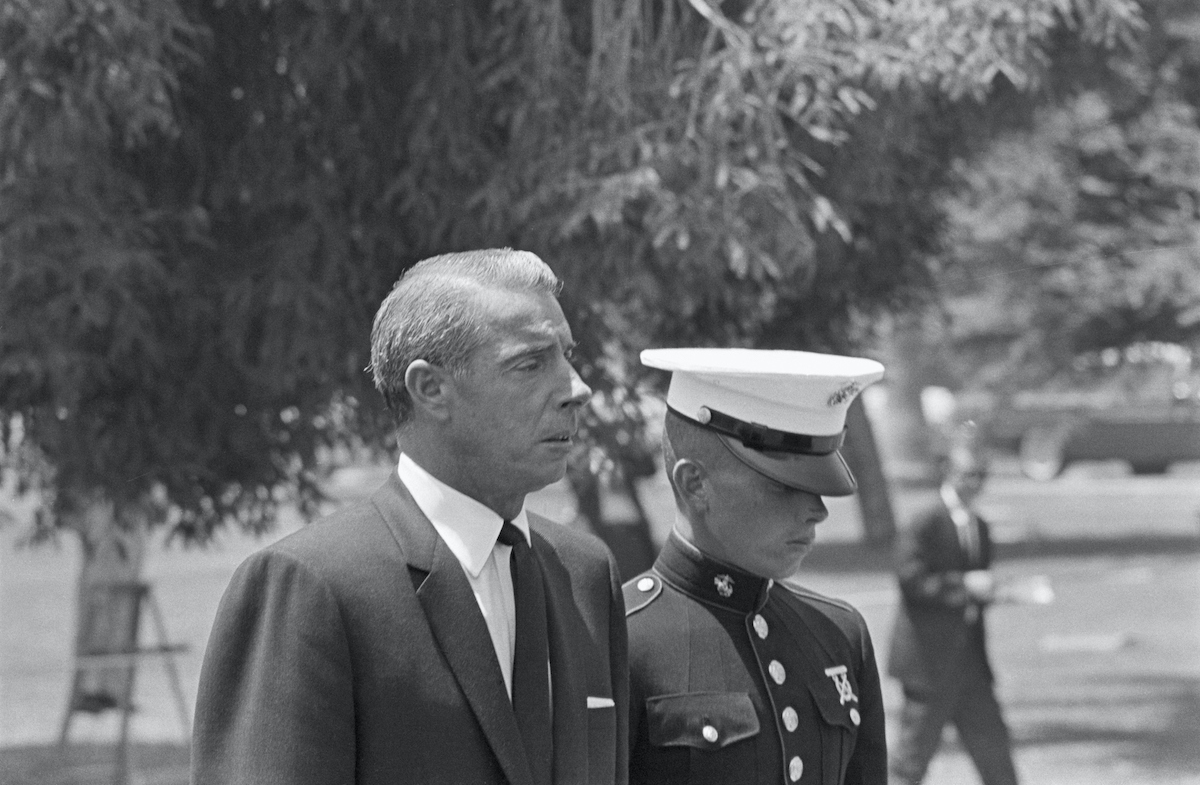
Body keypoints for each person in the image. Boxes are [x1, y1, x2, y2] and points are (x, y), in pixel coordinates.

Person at [192, 249, 629, 785]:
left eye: (567, 355)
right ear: (431, 390)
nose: (576, 389)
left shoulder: (584, 575)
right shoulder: (312, 585)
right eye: (530, 363)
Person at [624, 347, 889, 785]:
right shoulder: (620, 638)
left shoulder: (838, 634)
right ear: (696, 484)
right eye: (784, 487)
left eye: (817, 486)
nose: (817, 511)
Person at [885, 422, 1019, 785]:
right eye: (967, 474)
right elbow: (911, 581)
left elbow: (976, 592)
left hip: (971, 663)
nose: (975, 482)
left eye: (981, 475)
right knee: (911, 761)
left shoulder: (980, 526)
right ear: (948, 472)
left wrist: (998, 593)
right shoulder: (925, 520)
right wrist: (965, 585)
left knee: (996, 757)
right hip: (929, 662)